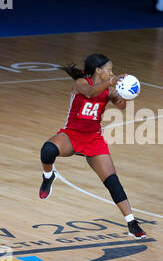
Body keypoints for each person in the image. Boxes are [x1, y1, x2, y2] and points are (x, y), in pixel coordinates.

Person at [39, 53, 146, 239]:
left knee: (112, 181)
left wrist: (128, 93)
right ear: (98, 70)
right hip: (71, 134)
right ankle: (48, 176)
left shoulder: (108, 90)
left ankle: (131, 222)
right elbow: (90, 92)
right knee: (47, 150)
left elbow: (120, 105)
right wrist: (111, 81)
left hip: (93, 138)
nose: (111, 73)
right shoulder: (81, 83)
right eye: (109, 70)